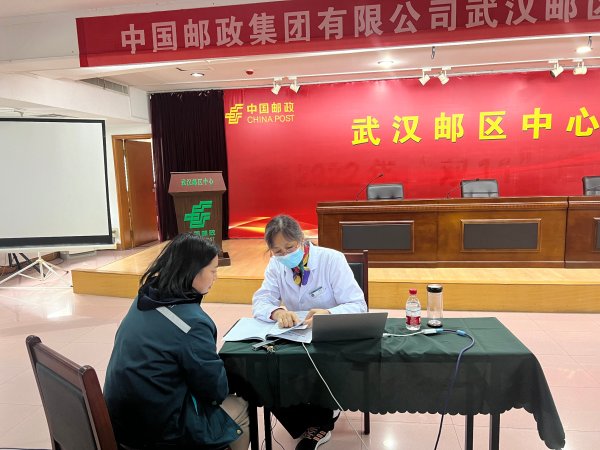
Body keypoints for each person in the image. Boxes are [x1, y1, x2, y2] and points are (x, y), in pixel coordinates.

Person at [104, 234, 249, 450]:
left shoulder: (144, 297)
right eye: (213, 271)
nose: (216, 277)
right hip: (159, 432)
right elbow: (215, 391)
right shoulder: (192, 323)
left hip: (119, 422)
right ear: (193, 272)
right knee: (240, 407)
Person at [253, 214, 367, 450]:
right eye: (277, 251)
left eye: (289, 247)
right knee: (264, 370)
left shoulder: (331, 259)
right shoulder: (276, 265)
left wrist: (328, 313)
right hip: (296, 334)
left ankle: (321, 422)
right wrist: (276, 312)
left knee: (319, 364)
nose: (285, 255)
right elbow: (262, 300)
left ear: (302, 239)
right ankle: (318, 420)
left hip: (329, 336)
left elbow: (358, 305)